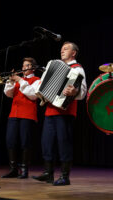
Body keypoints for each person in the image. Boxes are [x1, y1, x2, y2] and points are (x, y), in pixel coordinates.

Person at [32, 41, 87, 186]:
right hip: (50, 110)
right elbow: (45, 85)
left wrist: (74, 91)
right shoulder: (55, 65)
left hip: (65, 111)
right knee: (47, 142)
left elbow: (83, 92)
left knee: (64, 143)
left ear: (73, 53)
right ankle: (48, 173)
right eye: (62, 49)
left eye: (66, 48)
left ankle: (65, 176)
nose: (62, 51)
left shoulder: (77, 69)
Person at [1, 57, 40, 179]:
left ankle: (24, 170)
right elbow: (8, 94)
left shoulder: (37, 80)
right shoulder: (19, 80)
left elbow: (33, 95)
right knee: (10, 140)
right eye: (23, 66)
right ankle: (13, 169)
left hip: (27, 114)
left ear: (33, 67)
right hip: (14, 113)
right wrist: (11, 81)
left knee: (25, 142)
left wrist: (20, 80)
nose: (24, 68)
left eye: (27, 65)